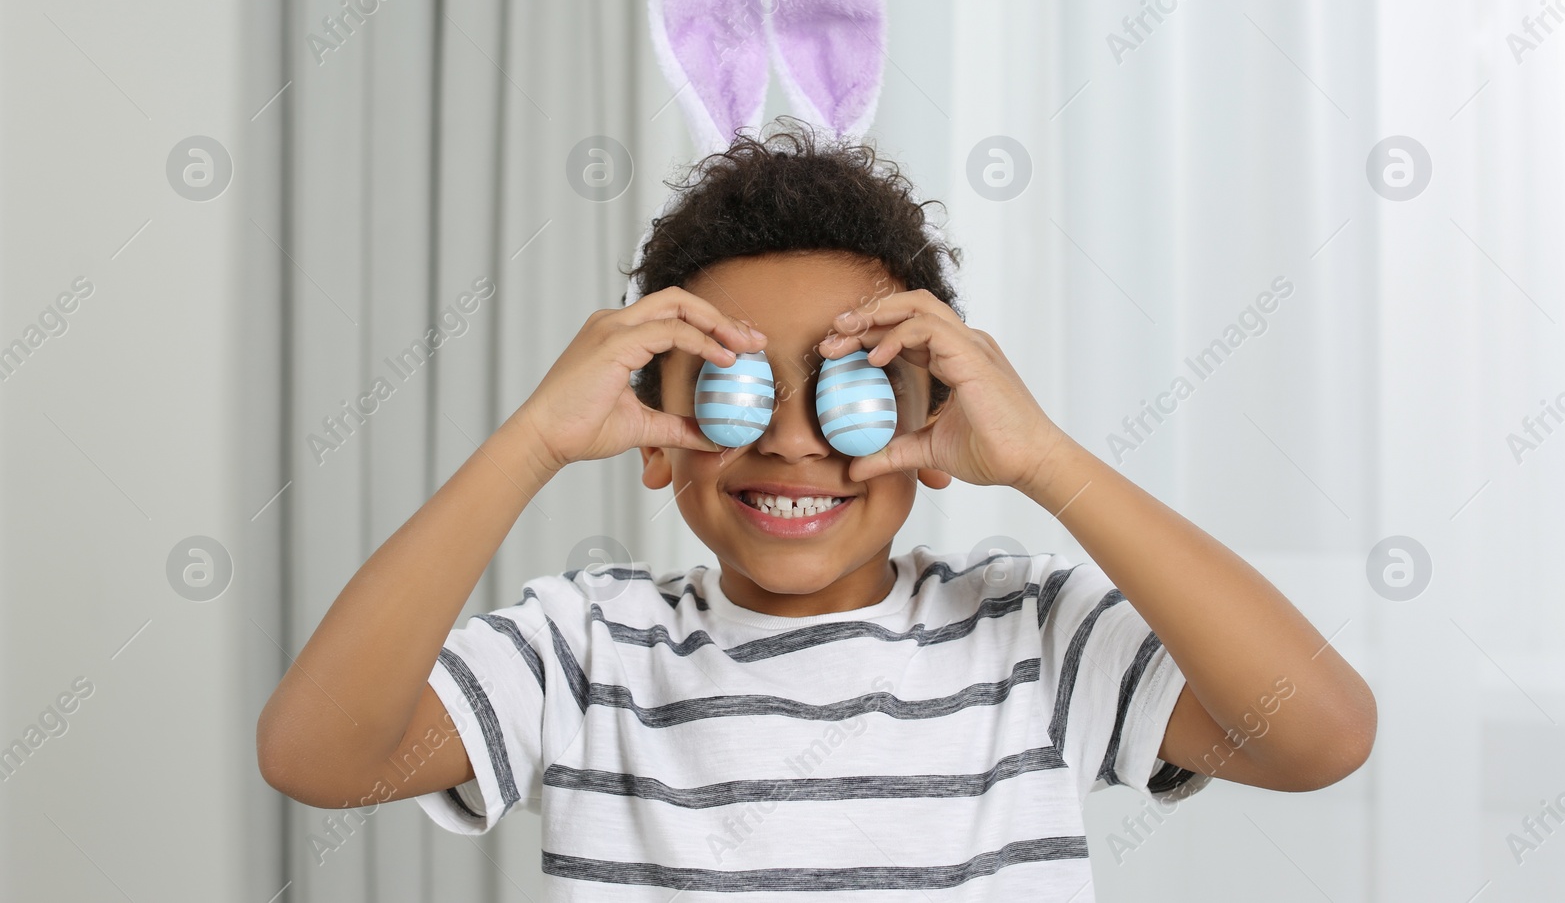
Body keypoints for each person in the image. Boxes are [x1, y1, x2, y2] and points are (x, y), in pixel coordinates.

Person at [256, 121, 1377, 899]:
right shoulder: (586, 648)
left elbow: (1318, 733)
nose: (791, 436)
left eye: (847, 391)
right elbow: (318, 754)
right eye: (740, 388)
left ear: (933, 433)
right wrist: (530, 441)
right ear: (654, 438)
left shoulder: (1029, 635)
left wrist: (1043, 458)